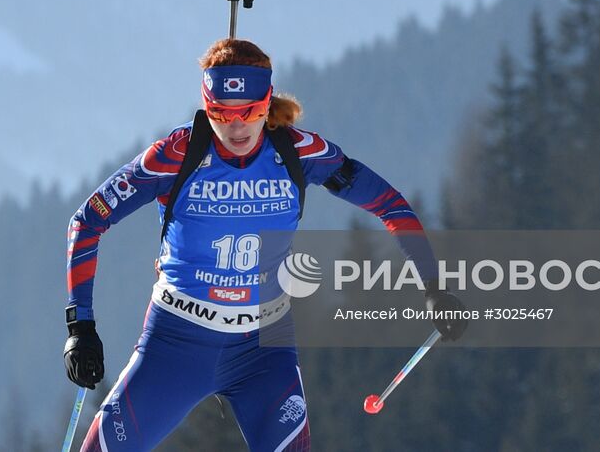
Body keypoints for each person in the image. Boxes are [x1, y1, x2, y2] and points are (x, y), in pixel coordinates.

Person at [63, 38, 465, 451]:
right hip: (177, 345)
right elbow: (88, 219)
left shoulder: (300, 152)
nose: (237, 128)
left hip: (262, 352)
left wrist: (434, 286)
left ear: (267, 104)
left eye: (251, 113)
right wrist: (81, 327)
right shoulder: (176, 155)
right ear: (206, 105)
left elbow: (389, 204)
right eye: (221, 113)